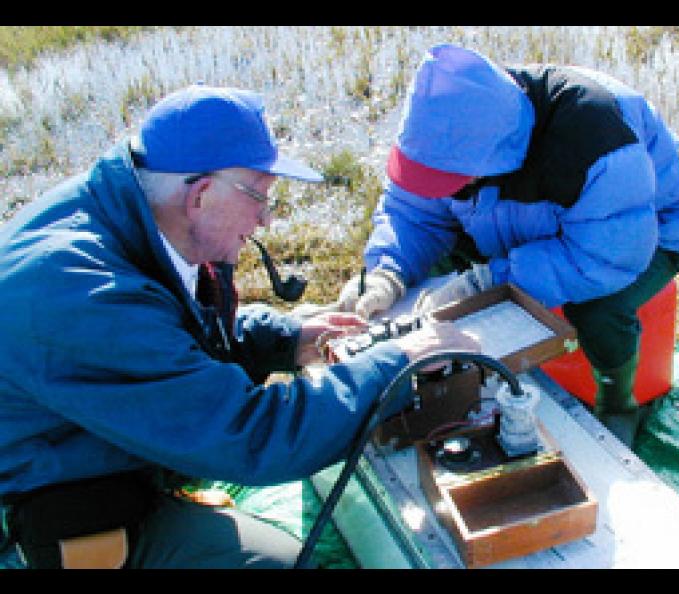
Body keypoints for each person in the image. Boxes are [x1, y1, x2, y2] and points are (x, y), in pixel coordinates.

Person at [0, 84, 478, 569]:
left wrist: (284, 341)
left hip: (94, 457)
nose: (267, 220)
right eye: (260, 196)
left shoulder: (126, 213)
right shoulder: (79, 293)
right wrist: (396, 364)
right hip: (60, 511)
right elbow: (250, 436)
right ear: (202, 195)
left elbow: (165, 333)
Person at [337, 44, 679, 448]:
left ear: (491, 160)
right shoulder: (448, 129)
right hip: (537, 221)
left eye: (450, 180)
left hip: (651, 224)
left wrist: (487, 281)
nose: (442, 186)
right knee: (433, 267)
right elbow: (412, 211)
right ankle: (449, 385)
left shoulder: (596, 138)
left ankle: (619, 403)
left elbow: (607, 256)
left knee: (598, 307)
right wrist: (386, 272)